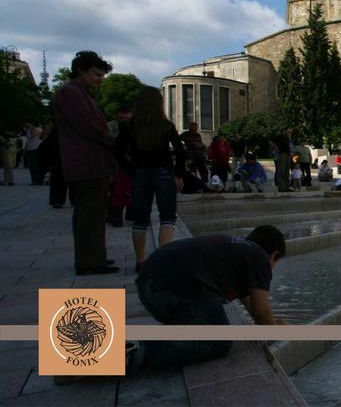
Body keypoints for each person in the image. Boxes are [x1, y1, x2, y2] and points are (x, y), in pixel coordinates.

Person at [132, 226, 287, 368]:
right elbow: (262, 312)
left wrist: (270, 324)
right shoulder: (259, 257)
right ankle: (134, 352)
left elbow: (252, 306)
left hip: (148, 285)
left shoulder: (237, 250)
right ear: (274, 255)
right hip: (171, 290)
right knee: (218, 342)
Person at [54, 51, 119, 275]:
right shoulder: (69, 93)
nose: (100, 80)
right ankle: (89, 261)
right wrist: (114, 142)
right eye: (97, 74)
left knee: (95, 212)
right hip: (85, 161)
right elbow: (89, 126)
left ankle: (95, 256)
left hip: (92, 161)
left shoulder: (81, 93)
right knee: (89, 212)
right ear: (81, 70)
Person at [115, 86, 187, 273]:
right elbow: (180, 151)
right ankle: (161, 260)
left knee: (140, 218)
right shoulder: (166, 125)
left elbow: (117, 151)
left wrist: (130, 170)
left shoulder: (129, 126)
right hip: (164, 171)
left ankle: (141, 261)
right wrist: (178, 174)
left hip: (140, 172)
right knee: (167, 217)